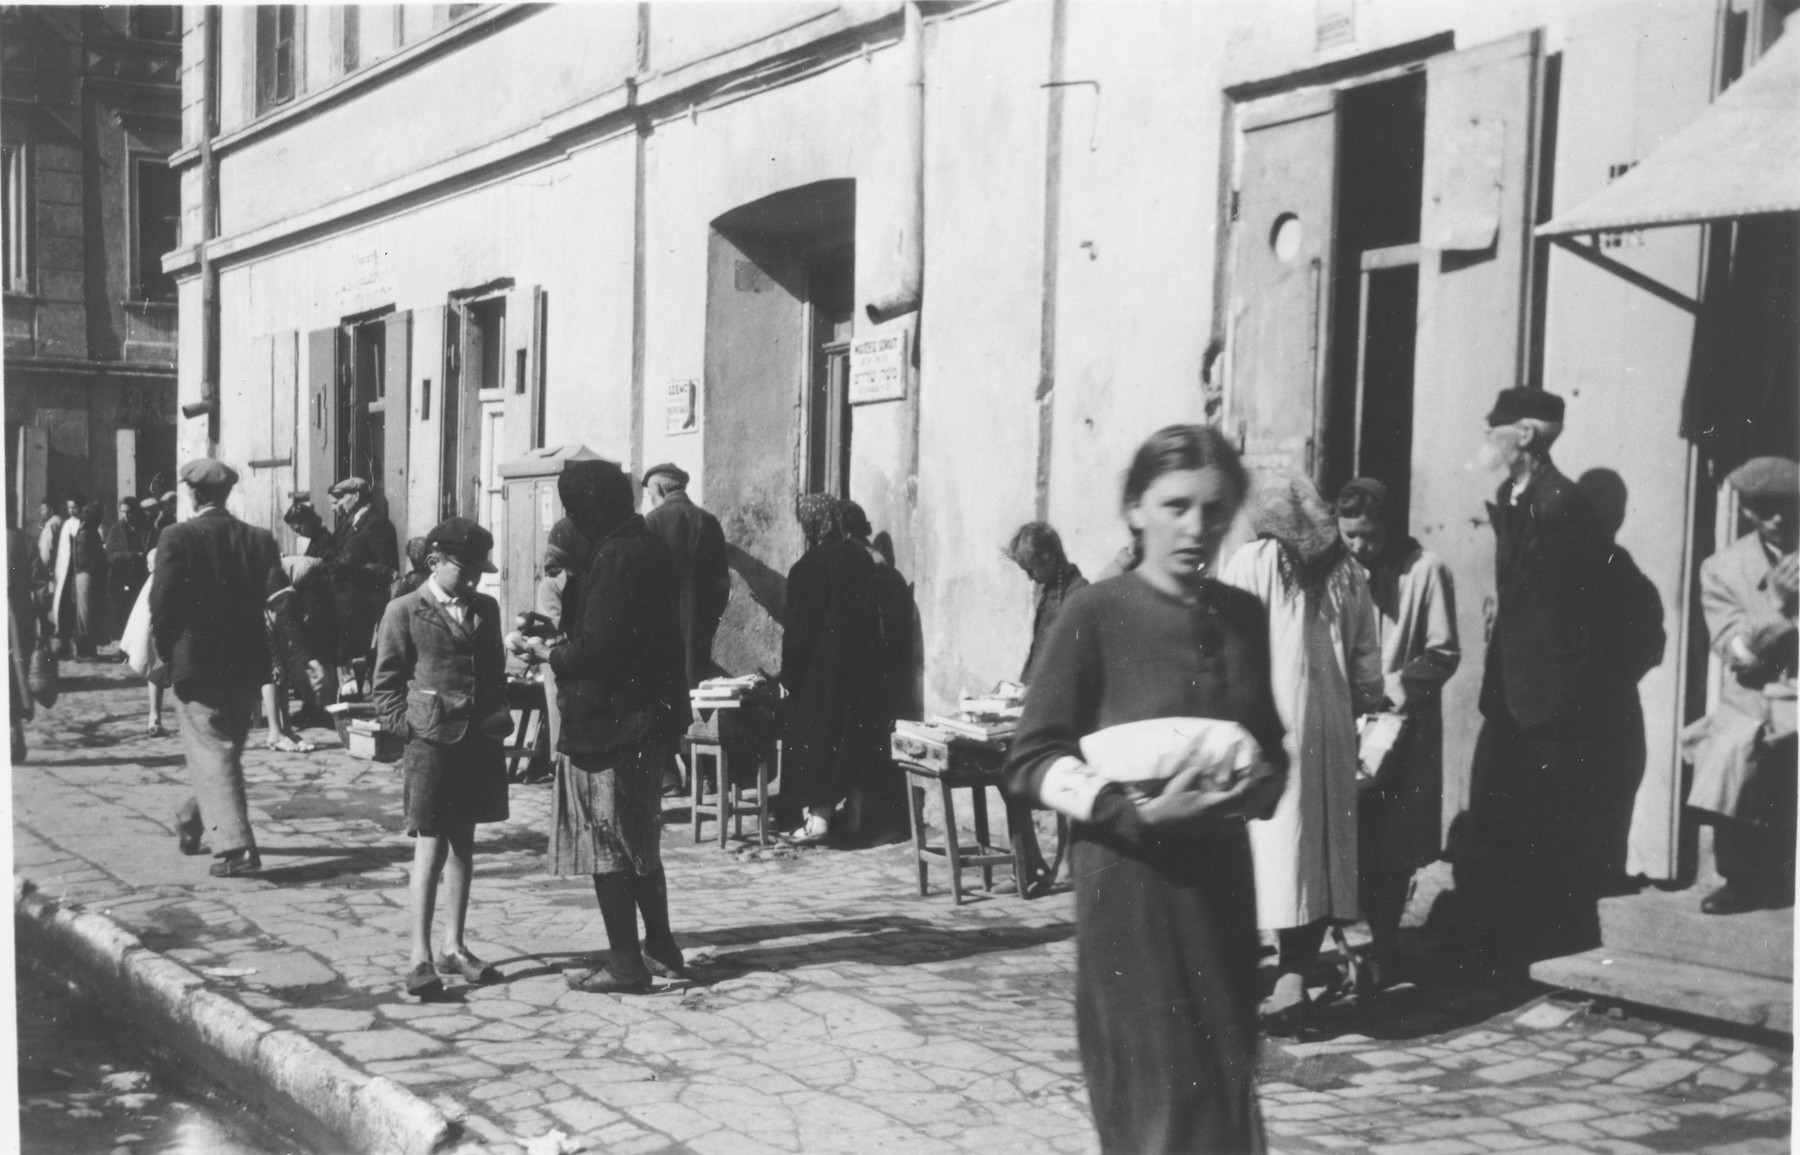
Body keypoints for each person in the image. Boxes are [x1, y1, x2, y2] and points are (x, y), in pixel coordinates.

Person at [1004, 424, 1286, 1155]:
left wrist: (1255, 785)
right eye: (1175, 506)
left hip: (1222, 895)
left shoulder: (1242, 617)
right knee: (1156, 1120)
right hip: (1131, 897)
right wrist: (1133, 810)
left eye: (1215, 509)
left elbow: (1271, 746)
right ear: (1135, 509)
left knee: (1223, 1107)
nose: (1197, 528)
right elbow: (1031, 759)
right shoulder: (1093, 614)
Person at [516, 459, 688, 995]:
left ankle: (625, 963)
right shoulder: (647, 544)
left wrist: (551, 652)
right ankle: (660, 947)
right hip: (650, 718)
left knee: (604, 841)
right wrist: (563, 631)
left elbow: (604, 648)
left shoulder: (614, 556)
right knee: (641, 839)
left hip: (613, 723)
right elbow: (625, 632)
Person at [1223, 475, 1382, 1027]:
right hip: (1333, 732)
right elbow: (1368, 667)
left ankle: (1266, 981)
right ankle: (1294, 975)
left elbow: (1224, 646)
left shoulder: (1251, 562)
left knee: (1271, 852)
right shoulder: (1349, 574)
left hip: (1268, 728)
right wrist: (1355, 702)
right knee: (1317, 854)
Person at [1460, 388, 1607, 964]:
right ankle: (1502, 942)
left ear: (1523, 435)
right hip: (1509, 691)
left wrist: (1565, 687)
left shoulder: (1563, 504)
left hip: (1546, 699)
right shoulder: (1513, 495)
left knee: (1544, 820)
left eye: (1495, 430)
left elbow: (1583, 609)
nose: (1487, 443)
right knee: (1502, 815)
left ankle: (1544, 944)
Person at [373, 517, 513, 998]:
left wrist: (497, 719)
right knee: (429, 846)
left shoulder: (486, 609)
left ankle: (454, 945)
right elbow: (386, 685)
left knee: (464, 845)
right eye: (464, 569)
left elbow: (493, 669)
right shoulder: (404, 611)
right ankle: (420, 956)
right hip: (430, 744)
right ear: (433, 562)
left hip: (477, 743)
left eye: (479, 571)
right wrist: (409, 728)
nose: (473, 579)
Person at [1336, 478, 1460, 988]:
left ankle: (1386, 946)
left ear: (1389, 528)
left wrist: (1393, 685)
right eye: (1348, 536)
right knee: (1351, 837)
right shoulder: (1339, 574)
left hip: (1401, 730)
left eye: (1368, 536)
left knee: (1391, 845)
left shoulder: (1425, 571)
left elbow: (1444, 651)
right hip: (1348, 724)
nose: (1359, 547)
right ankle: (1354, 945)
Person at [152, 460, 286, 878]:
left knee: (214, 752)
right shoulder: (259, 539)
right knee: (221, 751)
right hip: (245, 665)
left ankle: (235, 850)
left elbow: (162, 604)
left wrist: (166, 651)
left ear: (192, 494)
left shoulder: (177, 536)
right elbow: (280, 600)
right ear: (227, 494)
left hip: (197, 666)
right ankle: (192, 819)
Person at [1683, 456, 1798, 914]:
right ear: (1745, 509)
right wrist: (1775, 605)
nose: (1775, 518)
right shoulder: (1723, 569)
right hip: (1755, 697)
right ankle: (1742, 879)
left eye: (1787, 506)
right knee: (1729, 747)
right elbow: (1737, 655)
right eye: (1761, 508)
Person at [779, 494, 885, 845]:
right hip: (861, 669)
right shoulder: (860, 559)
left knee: (818, 741)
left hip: (820, 676)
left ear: (810, 525)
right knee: (852, 738)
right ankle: (853, 817)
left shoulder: (806, 568)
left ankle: (820, 821)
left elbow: (798, 632)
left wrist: (788, 676)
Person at [641, 464, 730, 687]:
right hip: (701, 622)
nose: (650, 497)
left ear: (660, 489)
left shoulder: (652, 521)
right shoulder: (709, 521)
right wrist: (709, 618)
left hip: (661, 623)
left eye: (650, 492)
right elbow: (722, 584)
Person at [328, 477, 400, 680]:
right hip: (342, 603)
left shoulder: (377, 524)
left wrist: (353, 567)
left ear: (357, 495)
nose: (338, 504)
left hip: (361, 605)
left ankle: (355, 696)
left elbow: (386, 569)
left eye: (342, 497)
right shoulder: (347, 523)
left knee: (355, 657)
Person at [1006, 521, 1089, 684]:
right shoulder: (1050, 591)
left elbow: (1072, 659)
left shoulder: (1076, 593)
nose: (1030, 577)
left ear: (1048, 558)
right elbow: (1037, 652)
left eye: (1031, 570)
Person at [10, 523, 44, 762]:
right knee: (16, 672)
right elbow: (40, 585)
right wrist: (43, 618)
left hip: (17, 616)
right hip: (19, 616)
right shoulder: (25, 541)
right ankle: (15, 730)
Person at [105, 497, 151, 646]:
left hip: (140, 577)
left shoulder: (146, 528)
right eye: (123, 512)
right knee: (121, 612)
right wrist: (131, 555)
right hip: (121, 577)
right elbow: (110, 555)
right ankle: (121, 645)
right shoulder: (116, 530)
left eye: (129, 512)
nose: (126, 516)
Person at [67, 502, 108, 658]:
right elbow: (85, 560)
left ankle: (88, 649)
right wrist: (102, 564)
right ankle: (84, 650)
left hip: (90, 576)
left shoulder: (89, 532)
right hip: (86, 577)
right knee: (85, 614)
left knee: (89, 614)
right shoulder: (85, 534)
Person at [49, 494, 84, 657]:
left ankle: (78, 644)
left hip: (79, 572)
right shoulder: (66, 525)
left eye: (75, 507)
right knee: (64, 606)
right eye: (69, 507)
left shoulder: (86, 523)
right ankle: (64, 643)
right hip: (66, 571)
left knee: (78, 607)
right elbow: (62, 552)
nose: (71, 510)